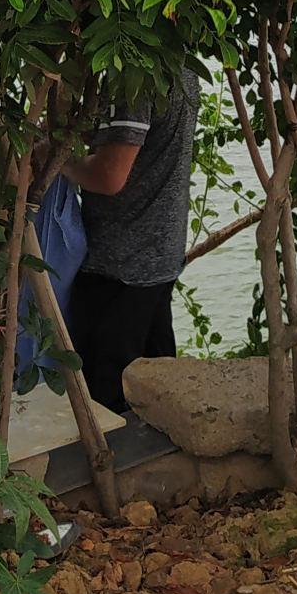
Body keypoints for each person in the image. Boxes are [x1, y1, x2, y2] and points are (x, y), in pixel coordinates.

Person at [62, 68, 200, 414]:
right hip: (160, 255)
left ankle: (110, 467)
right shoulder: (182, 67)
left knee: (105, 402)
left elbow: (110, 175)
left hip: (119, 265)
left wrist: (58, 158)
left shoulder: (134, 79)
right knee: (159, 395)